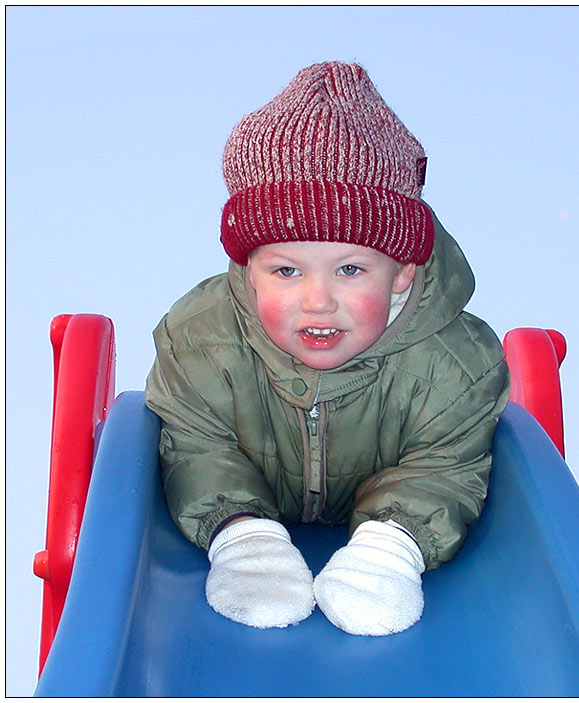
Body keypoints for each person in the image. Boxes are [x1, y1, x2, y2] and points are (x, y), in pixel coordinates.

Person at [145, 61, 509, 636]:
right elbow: (195, 446)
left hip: (391, 530)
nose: (317, 300)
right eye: (286, 269)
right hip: (245, 515)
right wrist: (241, 534)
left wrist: (393, 546)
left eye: (350, 269)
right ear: (250, 270)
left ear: (402, 273)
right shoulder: (202, 340)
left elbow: (443, 466)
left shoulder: (456, 365)